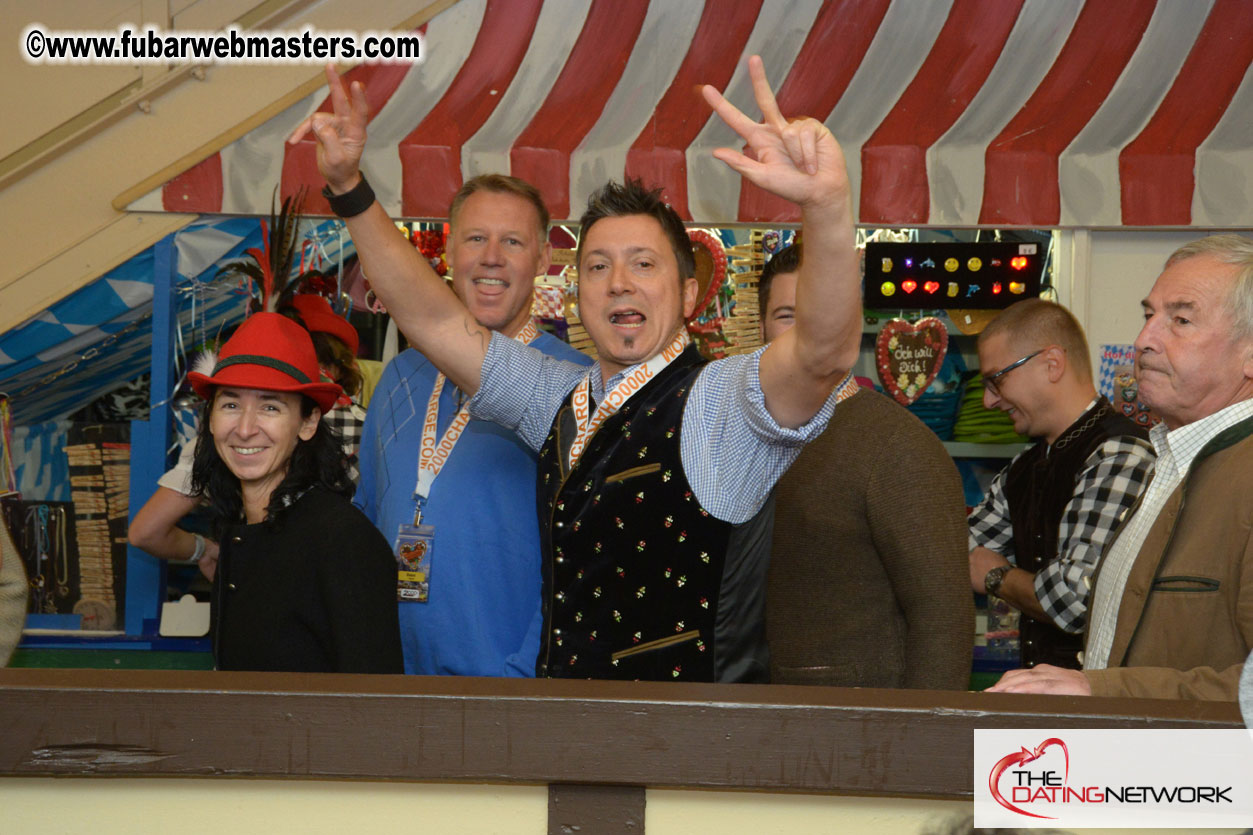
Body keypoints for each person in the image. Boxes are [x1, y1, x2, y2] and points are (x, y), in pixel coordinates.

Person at [291, 56, 862, 682]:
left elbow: (822, 354)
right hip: (574, 737)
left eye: (644, 264)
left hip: (683, 747)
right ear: (572, 292)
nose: (619, 283)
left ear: (691, 295)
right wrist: (349, 188)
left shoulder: (719, 402)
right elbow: (431, 321)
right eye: (597, 266)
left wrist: (829, 207)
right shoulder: (563, 397)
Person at [989, 235, 1253, 700]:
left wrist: (1101, 690)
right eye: (1149, 316)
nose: (1143, 340)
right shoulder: (1169, 465)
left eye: (1181, 319)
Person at [353, 173, 590, 677]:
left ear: (544, 259)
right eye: (476, 238)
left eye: (513, 241)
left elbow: (583, 556)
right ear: (449, 249)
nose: (491, 257)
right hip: (391, 678)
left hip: (508, 692)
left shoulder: (574, 385)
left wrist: (526, 671)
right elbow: (368, 520)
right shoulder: (400, 377)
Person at [760, 244, 972, 690]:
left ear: (849, 325)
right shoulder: (740, 434)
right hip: (742, 718)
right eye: (786, 314)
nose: (805, 329)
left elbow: (943, 621)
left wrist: (920, 741)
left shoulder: (900, 447)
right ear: (762, 327)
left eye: (821, 312)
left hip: (858, 732)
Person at [186, 311, 401, 673]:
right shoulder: (237, 532)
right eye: (231, 404)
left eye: (270, 406)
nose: (245, 428)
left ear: (308, 423)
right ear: (210, 419)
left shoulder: (342, 539)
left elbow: (376, 701)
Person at [968, 299, 1154, 669]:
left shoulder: (1120, 453)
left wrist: (996, 576)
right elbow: (958, 553)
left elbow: (1073, 601)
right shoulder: (1026, 466)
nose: (989, 401)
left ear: (1052, 364)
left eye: (996, 379)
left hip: (1101, 709)